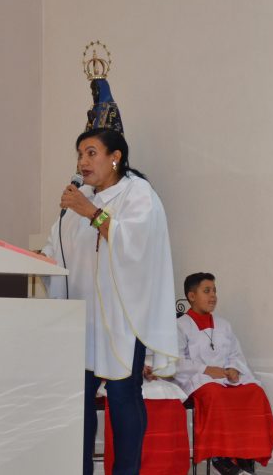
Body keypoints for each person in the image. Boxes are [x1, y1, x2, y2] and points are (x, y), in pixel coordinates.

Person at [42, 127, 179, 475]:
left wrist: (92, 212)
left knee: (122, 399)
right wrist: (24, 259)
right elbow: (54, 253)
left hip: (121, 321)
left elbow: (137, 245)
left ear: (115, 157)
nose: (82, 161)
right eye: (79, 154)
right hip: (82, 321)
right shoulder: (77, 203)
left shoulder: (138, 193)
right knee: (80, 403)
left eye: (90, 153)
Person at [175, 272, 273, 475]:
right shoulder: (180, 325)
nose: (213, 296)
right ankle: (220, 457)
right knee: (215, 393)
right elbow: (176, 361)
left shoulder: (224, 325)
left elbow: (235, 353)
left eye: (214, 291)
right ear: (192, 296)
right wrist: (205, 369)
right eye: (207, 291)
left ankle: (245, 455)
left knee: (255, 392)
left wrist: (234, 369)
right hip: (199, 379)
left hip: (226, 378)